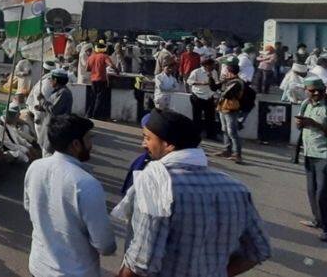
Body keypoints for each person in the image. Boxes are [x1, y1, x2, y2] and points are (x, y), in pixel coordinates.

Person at [114, 110, 271, 277]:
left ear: (168, 144)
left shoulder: (157, 185)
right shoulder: (236, 188)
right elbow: (260, 249)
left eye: (147, 138)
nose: (143, 145)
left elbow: (142, 262)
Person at [24, 114, 115, 277]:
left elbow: (28, 207)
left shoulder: (35, 167)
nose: (91, 145)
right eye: (89, 139)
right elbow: (105, 245)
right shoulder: (87, 184)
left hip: (38, 267)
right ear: (75, 144)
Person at [295, 76, 327, 243]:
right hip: (309, 153)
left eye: (320, 90)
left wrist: (315, 124)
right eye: (312, 90)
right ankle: (318, 220)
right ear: (306, 90)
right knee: (312, 191)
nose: (317, 93)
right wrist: (301, 124)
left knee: (323, 193)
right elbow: (302, 124)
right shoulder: (305, 104)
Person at [34, 69, 74, 155]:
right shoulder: (58, 91)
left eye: (51, 79)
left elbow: (54, 110)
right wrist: (42, 108)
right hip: (49, 125)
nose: (50, 81)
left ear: (55, 80)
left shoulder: (64, 93)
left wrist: (42, 100)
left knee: (48, 154)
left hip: (55, 128)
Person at [217, 63, 245, 163]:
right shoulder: (231, 81)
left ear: (229, 72)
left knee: (232, 132)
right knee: (224, 130)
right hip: (223, 107)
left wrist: (223, 84)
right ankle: (227, 150)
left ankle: (237, 154)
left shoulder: (236, 82)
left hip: (230, 108)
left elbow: (226, 93)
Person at [186, 57, 219, 140]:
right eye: (210, 65)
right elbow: (189, 81)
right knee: (197, 117)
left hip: (209, 96)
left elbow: (216, 82)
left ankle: (211, 135)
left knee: (210, 117)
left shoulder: (214, 72)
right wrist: (201, 83)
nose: (212, 67)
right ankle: (196, 134)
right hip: (198, 96)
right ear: (205, 65)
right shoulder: (197, 72)